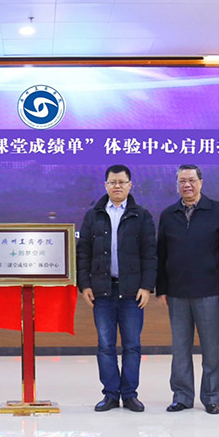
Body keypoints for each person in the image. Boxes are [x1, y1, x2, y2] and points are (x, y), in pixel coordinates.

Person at [156, 164, 219, 415]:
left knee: (211, 349)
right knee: (180, 349)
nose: (187, 185)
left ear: (201, 182)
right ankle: (182, 396)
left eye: (191, 180)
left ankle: (211, 397)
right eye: (182, 181)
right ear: (177, 185)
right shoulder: (168, 214)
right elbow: (161, 254)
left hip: (210, 292)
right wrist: (161, 289)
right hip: (177, 293)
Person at [76, 165, 157, 412]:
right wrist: (84, 284)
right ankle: (110, 394)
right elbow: (83, 253)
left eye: (122, 182)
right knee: (105, 346)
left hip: (132, 292)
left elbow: (150, 254)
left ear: (130, 185)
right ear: (106, 185)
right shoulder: (94, 215)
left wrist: (147, 286)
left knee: (132, 345)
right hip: (102, 290)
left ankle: (130, 394)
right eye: (113, 182)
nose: (117, 186)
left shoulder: (141, 216)